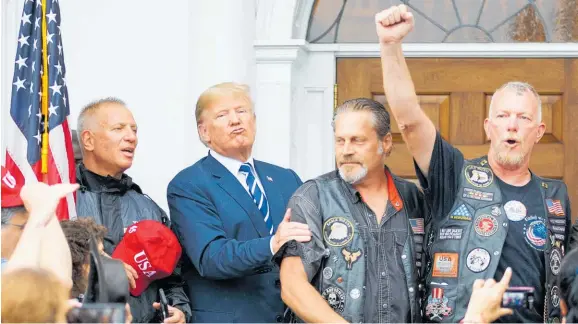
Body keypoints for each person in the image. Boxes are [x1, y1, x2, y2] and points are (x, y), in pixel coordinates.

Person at [375, 4, 575, 323]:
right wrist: (390, 45)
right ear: (487, 126)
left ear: (538, 132)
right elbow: (409, 121)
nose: (512, 125)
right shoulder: (453, 175)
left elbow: (557, 282)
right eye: (502, 116)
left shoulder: (555, 196)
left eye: (523, 118)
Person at [167, 82, 311, 323]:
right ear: (204, 132)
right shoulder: (188, 184)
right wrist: (272, 244)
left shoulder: (287, 178)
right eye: (222, 115)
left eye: (242, 111)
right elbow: (211, 258)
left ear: (254, 121)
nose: (235, 120)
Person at [277, 98, 430, 323]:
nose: (346, 150)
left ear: (385, 142)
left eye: (357, 140)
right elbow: (292, 285)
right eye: (340, 141)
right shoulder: (312, 197)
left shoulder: (413, 198)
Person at [75, 97, 190, 323]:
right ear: (88, 140)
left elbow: (173, 279)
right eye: (118, 128)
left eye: (134, 130)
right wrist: (100, 267)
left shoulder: (150, 209)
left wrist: (179, 309)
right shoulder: (63, 200)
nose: (131, 137)